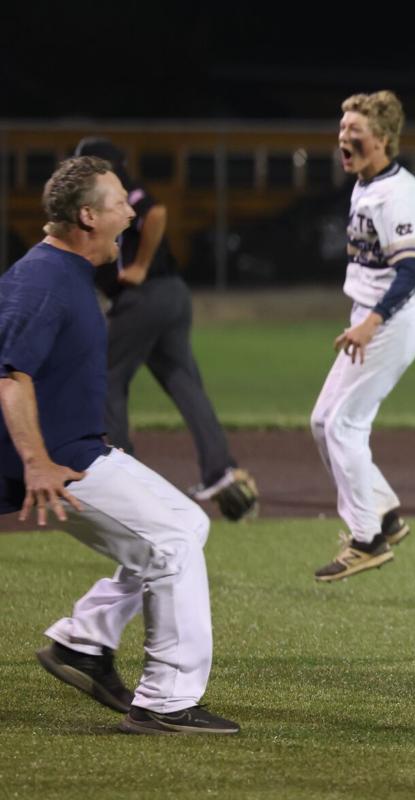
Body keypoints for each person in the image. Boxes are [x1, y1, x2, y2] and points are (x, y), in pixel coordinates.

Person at [2, 156, 238, 735]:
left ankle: (85, 642)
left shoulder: (65, 273)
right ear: (87, 216)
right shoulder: (45, 280)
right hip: (60, 462)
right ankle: (166, 702)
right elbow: (10, 376)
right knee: (176, 533)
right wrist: (36, 462)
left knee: (180, 529)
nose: (129, 213)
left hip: (76, 451)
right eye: (117, 205)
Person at [71, 138, 258, 523]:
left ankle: (120, 475)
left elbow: (155, 214)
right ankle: (220, 470)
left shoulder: (114, 184)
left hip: (145, 297)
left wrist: (138, 266)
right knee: (182, 380)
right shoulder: (112, 187)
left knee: (108, 375)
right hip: (173, 295)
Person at [310, 90, 415, 581]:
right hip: (375, 317)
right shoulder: (367, 183)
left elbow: (409, 271)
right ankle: (384, 512)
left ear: (382, 139)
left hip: (393, 319)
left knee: (344, 426)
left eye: (354, 131)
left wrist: (371, 321)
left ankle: (366, 539)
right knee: (323, 420)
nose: (343, 137)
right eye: (342, 129)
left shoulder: (398, 194)